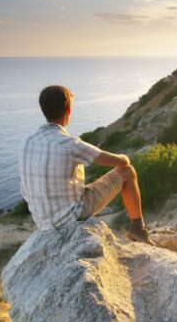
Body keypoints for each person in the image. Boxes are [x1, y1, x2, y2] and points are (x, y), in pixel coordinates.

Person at [18, 84, 153, 244]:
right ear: (68, 111)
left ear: (44, 110)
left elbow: (25, 190)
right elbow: (121, 162)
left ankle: (137, 229)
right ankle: (138, 229)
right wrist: (125, 157)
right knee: (127, 171)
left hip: (42, 221)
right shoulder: (69, 144)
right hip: (72, 216)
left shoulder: (27, 141)